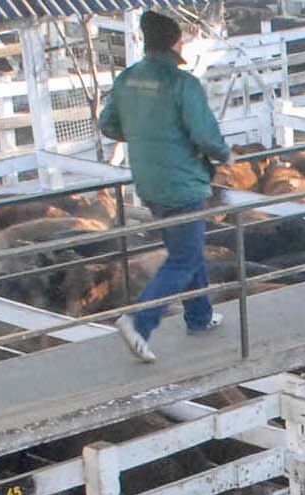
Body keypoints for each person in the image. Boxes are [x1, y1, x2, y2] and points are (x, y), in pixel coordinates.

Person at [99, 10, 231, 363]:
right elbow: (205, 135)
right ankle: (139, 321)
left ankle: (199, 316)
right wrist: (224, 155)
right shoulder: (181, 83)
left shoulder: (128, 79)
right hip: (183, 183)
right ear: (175, 42)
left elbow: (108, 124)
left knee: (187, 249)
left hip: (149, 183)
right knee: (185, 257)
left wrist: (146, 135)